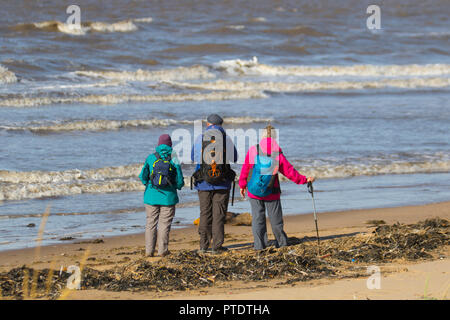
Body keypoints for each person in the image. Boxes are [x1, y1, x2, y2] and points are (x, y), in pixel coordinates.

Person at [239, 125, 315, 250]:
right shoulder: (277, 153)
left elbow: (245, 169)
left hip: (254, 191)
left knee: (258, 219)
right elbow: (289, 171)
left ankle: (259, 246)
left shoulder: (253, 150)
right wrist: (304, 180)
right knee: (276, 220)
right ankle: (282, 243)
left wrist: (242, 185)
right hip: (271, 191)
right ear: (275, 137)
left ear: (262, 136)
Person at [191, 114, 238, 254]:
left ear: (207, 124)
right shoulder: (226, 139)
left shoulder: (200, 138)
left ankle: (203, 246)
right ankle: (217, 246)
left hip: (203, 181)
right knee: (219, 214)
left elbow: (193, 157)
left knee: (205, 213)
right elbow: (235, 158)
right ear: (221, 125)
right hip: (222, 182)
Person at [139, 134, 184, 257]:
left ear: (158, 144)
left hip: (151, 196)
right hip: (168, 197)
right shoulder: (174, 158)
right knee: (164, 225)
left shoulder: (151, 157)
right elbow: (179, 179)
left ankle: (149, 252)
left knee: (150, 223)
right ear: (170, 145)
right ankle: (162, 251)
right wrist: (177, 186)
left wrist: (146, 184)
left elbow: (142, 175)